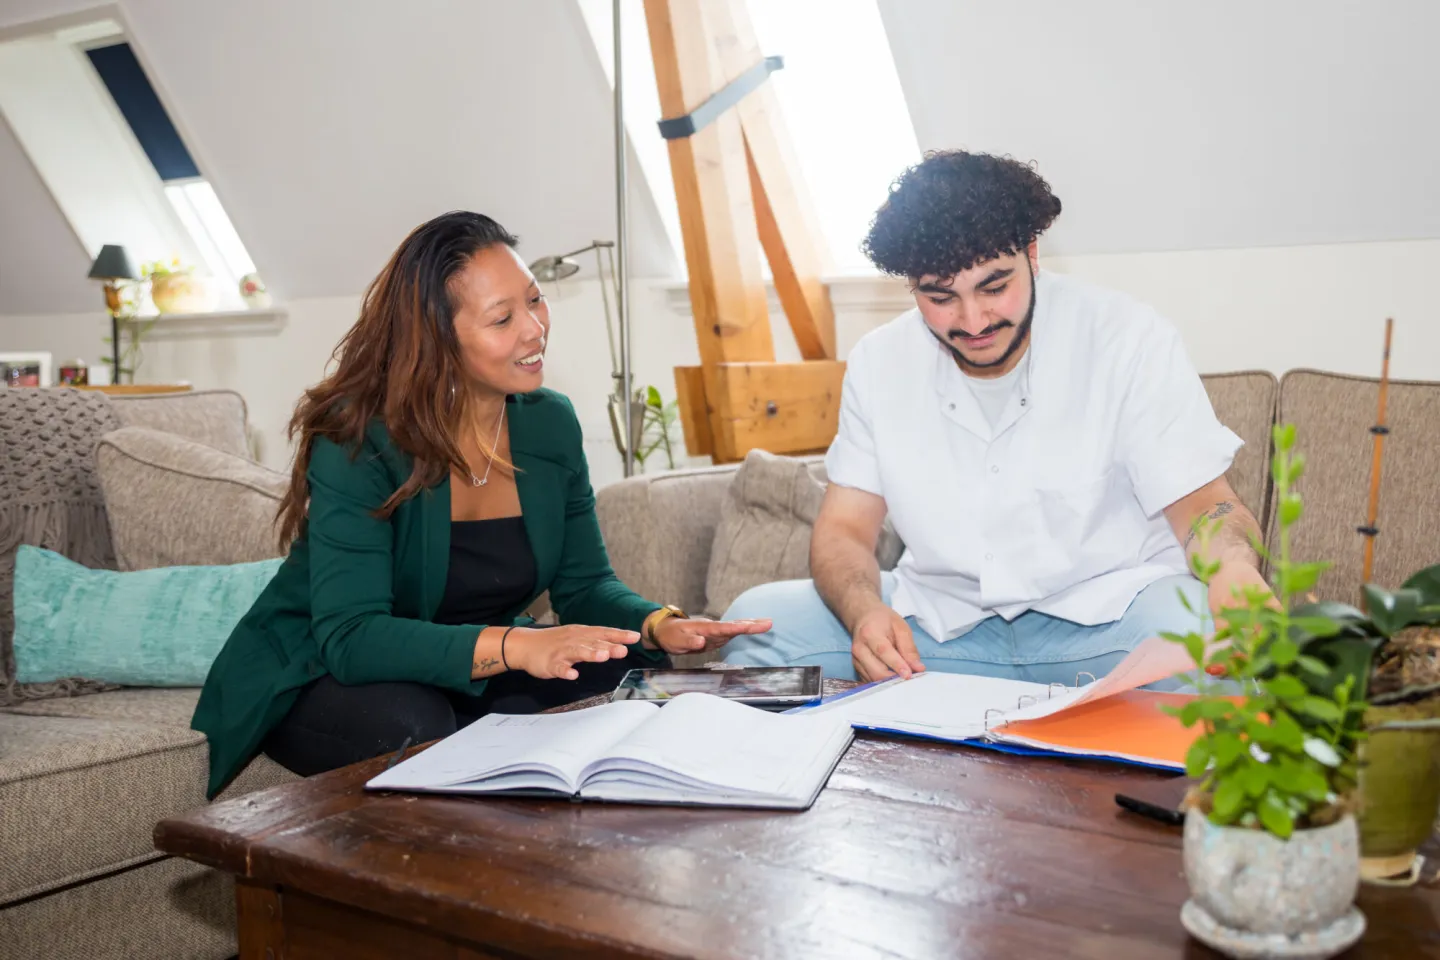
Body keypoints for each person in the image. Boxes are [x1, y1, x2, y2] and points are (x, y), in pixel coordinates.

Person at [193, 211, 769, 798]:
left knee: (623, 678)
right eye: (503, 318)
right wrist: (520, 645)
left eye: (536, 301)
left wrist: (658, 624)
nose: (534, 329)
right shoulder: (360, 437)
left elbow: (586, 585)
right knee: (418, 727)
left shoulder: (549, 422)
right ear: (438, 338)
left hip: (471, 660)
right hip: (323, 668)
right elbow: (353, 635)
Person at [720, 151, 1270, 684]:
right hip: (939, 630)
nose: (973, 319)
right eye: (940, 297)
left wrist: (1235, 575)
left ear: (1032, 253)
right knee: (754, 629)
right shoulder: (878, 362)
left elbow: (1206, 506)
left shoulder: (1127, 338)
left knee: (1213, 650)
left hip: (1110, 619)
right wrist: (865, 612)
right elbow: (843, 529)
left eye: (994, 286)